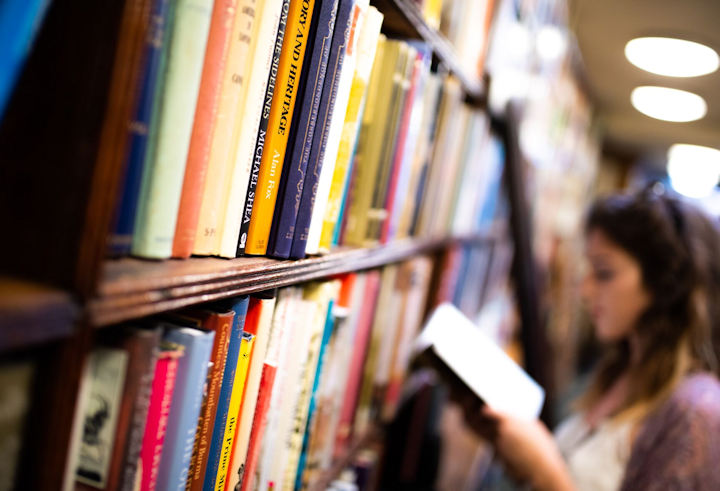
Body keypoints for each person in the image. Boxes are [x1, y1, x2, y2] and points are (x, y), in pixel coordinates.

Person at [468, 187, 720, 490]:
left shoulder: (696, 414)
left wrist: (547, 474)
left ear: (663, 283)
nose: (584, 292)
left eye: (603, 273)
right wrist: (515, 453)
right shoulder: (619, 372)